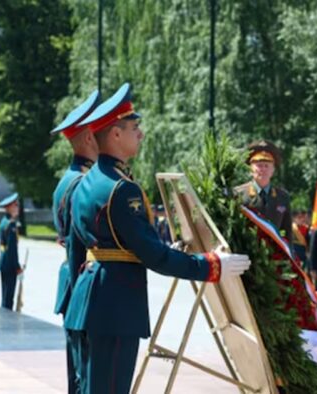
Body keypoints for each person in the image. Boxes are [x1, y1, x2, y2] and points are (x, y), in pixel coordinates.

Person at [63, 82, 251, 393]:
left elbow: (77, 251)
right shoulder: (121, 189)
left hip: (88, 303)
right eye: (134, 127)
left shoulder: (88, 182)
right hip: (115, 307)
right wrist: (211, 265)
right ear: (115, 134)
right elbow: (153, 256)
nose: (141, 134)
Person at [49, 90, 100, 394]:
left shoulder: (71, 178)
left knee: (81, 374)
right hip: (82, 282)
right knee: (85, 377)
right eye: (98, 132)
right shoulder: (81, 183)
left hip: (75, 281)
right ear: (86, 139)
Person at [234, 140, 293, 244]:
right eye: (259, 165)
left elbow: (287, 232)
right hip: (247, 254)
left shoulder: (282, 197)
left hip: (274, 255)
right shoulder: (239, 195)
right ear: (250, 169)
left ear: (273, 170)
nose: (263, 169)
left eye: (267, 166)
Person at [0, 193, 21, 310]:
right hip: (9, 264)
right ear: (9, 207)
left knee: (5, 295)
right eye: (15, 205)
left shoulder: (4, 221)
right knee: (8, 298)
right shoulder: (11, 224)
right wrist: (17, 266)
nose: (17, 208)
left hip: (4, 262)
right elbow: (12, 250)